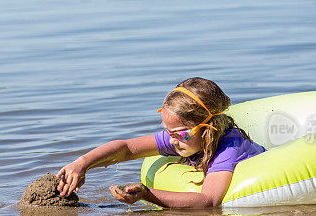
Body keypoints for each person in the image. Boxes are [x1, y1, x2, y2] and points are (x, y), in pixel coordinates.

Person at [57, 77, 266, 208]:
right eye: (167, 131)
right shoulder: (181, 137)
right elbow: (127, 148)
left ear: (207, 128)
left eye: (180, 134)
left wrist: (147, 194)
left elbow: (208, 201)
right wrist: (82, 164)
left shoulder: (228, 149)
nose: (172, 140)